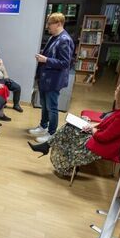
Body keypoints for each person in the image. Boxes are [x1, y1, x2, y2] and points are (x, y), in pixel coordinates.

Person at [28, 83, 120, 178]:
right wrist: (92, 126)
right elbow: (110, 123)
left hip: (101, 146)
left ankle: (54, 154)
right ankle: (46, 145)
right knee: (70, 126)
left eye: (118, 91)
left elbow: (103, 137)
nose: (115, 91)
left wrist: (92, 129)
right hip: (100, 136)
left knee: (67, 137)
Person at [29, 12, 74, 143]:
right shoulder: (53, 37)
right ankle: (43, 126)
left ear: (59, 24)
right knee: (44, 104)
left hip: (53, 80)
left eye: (50, 24)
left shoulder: (65, 40)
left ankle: (52, 133)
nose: (47, 27)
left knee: (52, 107)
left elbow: (65, 63)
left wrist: (46, 59)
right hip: (45, 79)